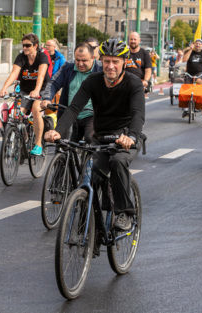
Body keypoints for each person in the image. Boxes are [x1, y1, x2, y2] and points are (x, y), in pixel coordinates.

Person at [44, 39, 145, 231]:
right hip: (101, 136)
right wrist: (57, 131)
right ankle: (90, 232)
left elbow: (138, 114)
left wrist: (131, 136)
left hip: (125, 138)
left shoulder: (134, 84)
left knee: (117, 162)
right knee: (90, 179)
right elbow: (74, 108)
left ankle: (125, 212)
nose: (110, 66)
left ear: (124, 62)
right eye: (106, 61)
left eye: (115, 61)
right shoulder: (93, 81)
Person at [0, 33, 49, 156]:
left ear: (35, 46)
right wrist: (3, 89)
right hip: (24, 90)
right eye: (23, 45)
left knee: (36, 110)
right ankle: (21, 139)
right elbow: (14, 73)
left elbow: (40, 76)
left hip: (42, 89)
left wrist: (36, 91)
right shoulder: (21, 57)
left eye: (27, 45)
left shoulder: (42, 57)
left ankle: (38, 144)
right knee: (16, 114)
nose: (24, 48)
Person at [40, 42, 101, 143]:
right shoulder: (68, 67)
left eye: (84, 60)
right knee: (61, 143)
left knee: (91, 138)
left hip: (92, 115)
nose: (80, 64)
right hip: (69, 113)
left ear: (93, 58)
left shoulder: (101, 69)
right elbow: (54, 83)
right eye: (77, 60)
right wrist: (47, 98)